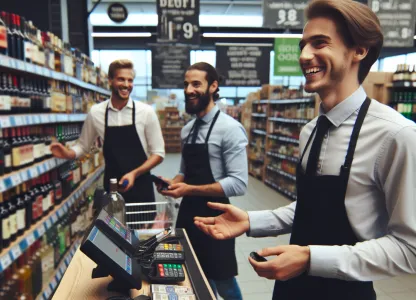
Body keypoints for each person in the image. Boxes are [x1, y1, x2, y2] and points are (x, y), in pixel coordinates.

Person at [194, 1, 416, 299]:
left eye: (319, 43)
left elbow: (409, 248)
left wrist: (311, 259)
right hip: (290, 287)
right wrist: (252, 221)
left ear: (359, 50)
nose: (304, 55)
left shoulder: (395, 135)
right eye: (303, 45)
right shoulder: (311, 130)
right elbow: (311, 207)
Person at [158, 62, 248, 300]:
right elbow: (184, 171)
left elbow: (239, 183)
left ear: (213, 86)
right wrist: (174, 183)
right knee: (197, 276)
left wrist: (189, 189)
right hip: (188, 214)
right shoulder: (187, 130)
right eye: (186, 84)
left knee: (223, 280)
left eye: (196, 84)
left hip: (218, 216)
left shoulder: (230, 129)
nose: (189, 89)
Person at [50, 59, 165, 226]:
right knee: (114, 241)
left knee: (142, 240)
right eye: (121, 79)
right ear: (110, 81)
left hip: (141, 187)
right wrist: (68, 153)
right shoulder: (96, 113)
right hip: (112, 188)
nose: (126, 84)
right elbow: (83, 145)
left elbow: (158, 154)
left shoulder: (146, 112)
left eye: (130, 80)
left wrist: (134, 173)